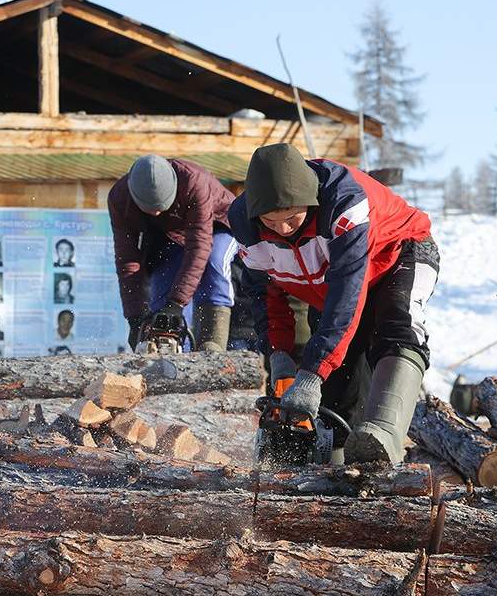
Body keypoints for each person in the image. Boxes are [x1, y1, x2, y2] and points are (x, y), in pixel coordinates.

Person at [228, 143, 438, 464]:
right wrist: (279, 353)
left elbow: (346, 292)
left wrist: (312, 371)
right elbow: (264, 294)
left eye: (292, 218)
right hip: (331, 287)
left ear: (310, 203)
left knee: (397, 324)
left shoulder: (344, 205)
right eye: (271, 222)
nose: (282, 229)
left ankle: (383, 436)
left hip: (398, 255)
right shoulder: (245, 226)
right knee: (337, 387)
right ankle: (332, 469)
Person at [109, 154, 238, 352]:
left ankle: (212, 343)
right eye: (151, 209)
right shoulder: (119, 199)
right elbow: (128, 260)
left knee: (214, 262)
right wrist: (135, 317)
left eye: (161, 207)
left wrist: (177, 303)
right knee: (162, 295)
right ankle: (169, 352)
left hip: (218, 224)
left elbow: (200, 246)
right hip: (169, 237)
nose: (157, 213)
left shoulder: (194, 182)